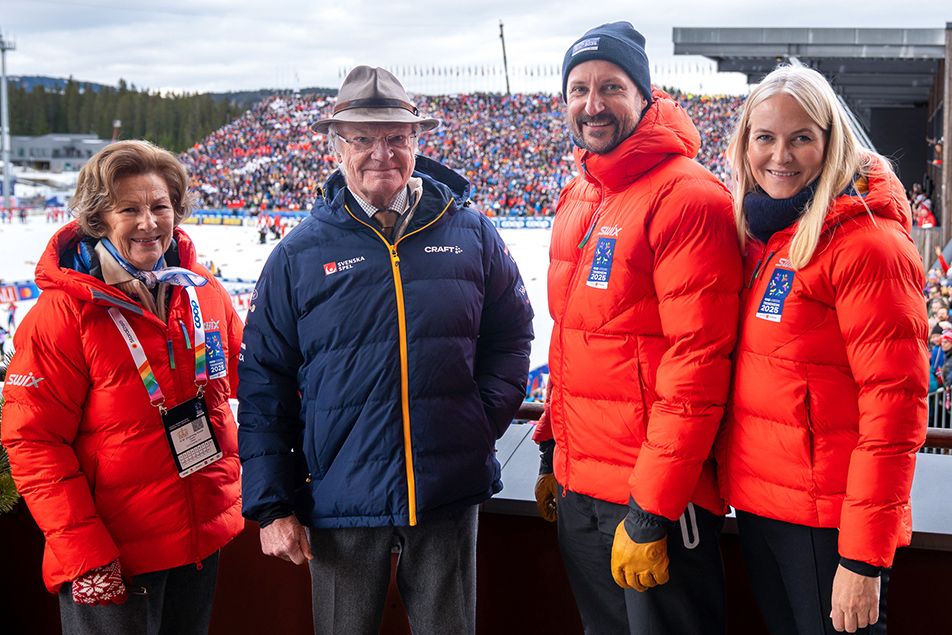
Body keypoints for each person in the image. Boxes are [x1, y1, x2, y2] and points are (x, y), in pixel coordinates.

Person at [237, 66, 533, 634]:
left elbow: (512, 334)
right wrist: (272, 504)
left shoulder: (470, 231)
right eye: (364, 138)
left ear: (417, 143)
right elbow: (263, 384)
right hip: (339, 493)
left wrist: (478, 421)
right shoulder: (298, 253)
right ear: (336, 145)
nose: (382, 153)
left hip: (445, 489)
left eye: (397, 137)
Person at [532, 22, 742, 634]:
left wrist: (652, 511)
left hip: (652, 500)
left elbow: (697, 366)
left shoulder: (687, 197)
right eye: (578, 88)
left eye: (611, 87)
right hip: (582, 489)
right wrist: (552, 449)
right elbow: (573, 340)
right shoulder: (580, 195)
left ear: (644, 95)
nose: (592, 104)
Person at [0, 140, 244, 634]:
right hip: (113, 556)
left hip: (197, 543)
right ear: (98, 219)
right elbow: (32, 440)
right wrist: (85, 554)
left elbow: (257, 378)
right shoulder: (63, 315)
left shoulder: (204, 294)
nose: (149, 223)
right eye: (129, 209)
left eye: (160, 206)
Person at [718, 64, 928, 635]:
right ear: (745, 145)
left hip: (831, 526)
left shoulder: (868, 246)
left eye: (801, 137)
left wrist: (862, 558)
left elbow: (895, 410)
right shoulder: (768, 236)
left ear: (831, 143)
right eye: (765, 137)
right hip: (766, 510)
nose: (780, 156)